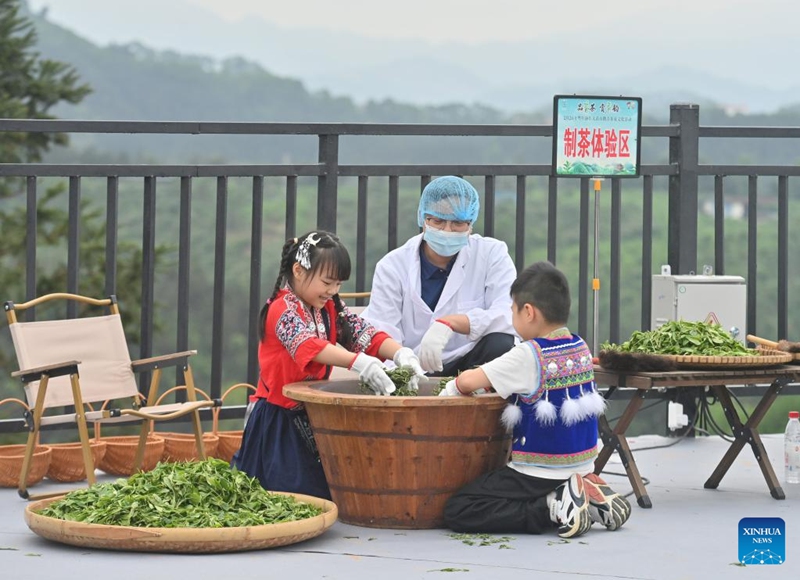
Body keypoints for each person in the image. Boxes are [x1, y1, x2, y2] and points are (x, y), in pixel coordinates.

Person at [438, 261, 631, 538]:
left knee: (460, 508)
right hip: (583, 464)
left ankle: (552, 507)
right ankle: (586, 495)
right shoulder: (580, 345)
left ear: (528, 312)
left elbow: (468, 381)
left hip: (540, 472)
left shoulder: (529, 354)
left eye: (513, 310)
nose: (512, 317)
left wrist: (452, 386)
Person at [233, 231, 425, 499]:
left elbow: (361, 333)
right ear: (298, 271)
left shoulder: (328, 306)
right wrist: (357, 362)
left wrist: (400, 353)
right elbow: (307, 345)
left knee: (326, 495)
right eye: (327, 282)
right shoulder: (282, 309)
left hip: (312, 413)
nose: (333, 291)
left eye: (338, 284)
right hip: (279, 419)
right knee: (286, 498)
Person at [362, 175, 517, 375]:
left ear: (471, 224)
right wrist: (403, 370)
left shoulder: (491, 254)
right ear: (423, 219)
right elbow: (382, 330)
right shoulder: (392, 266)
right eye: (438, 221)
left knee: (501, 343)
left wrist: (453, 323)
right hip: (413, 367)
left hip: (471, 364)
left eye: (458, 223)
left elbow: (509, 314)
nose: (447, 230)